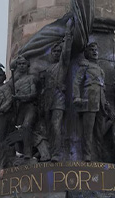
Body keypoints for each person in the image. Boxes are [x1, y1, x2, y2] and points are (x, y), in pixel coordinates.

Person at [40, 20, 73, 161]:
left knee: (55, 125)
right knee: (46, 127)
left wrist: (67, 33)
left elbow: (66, 52)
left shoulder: (62, 65)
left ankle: (56, 153)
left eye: (59, 51)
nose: (57, 53)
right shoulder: (46, 69)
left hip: (59, 97)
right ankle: (46, 152)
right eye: (55, 51)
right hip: (46, 98)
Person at [73, 42, 109, 162]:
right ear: (87, 53)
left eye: (96, 50)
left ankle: (99, 154)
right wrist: (77, 97)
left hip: (100, 102)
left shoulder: (100, 69)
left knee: (99, 131)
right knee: (88, 131)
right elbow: (77, 82)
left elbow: (103, 87)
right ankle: (87, 155)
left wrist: (105, 101)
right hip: (89, 99)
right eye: (91, 50)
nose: (94, 52)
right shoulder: (85, 66)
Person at [12, 55, 46, 161]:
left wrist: (19, 97)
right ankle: (19, 152)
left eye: (24, 64)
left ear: (27, 66)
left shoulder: (31, 78)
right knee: (17, 129)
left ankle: (28, 152)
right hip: (20, 108)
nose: (21, 66)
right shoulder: (15, 83)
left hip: (30, 106)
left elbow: (34, 94)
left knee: (27, 127)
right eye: (19, 64)